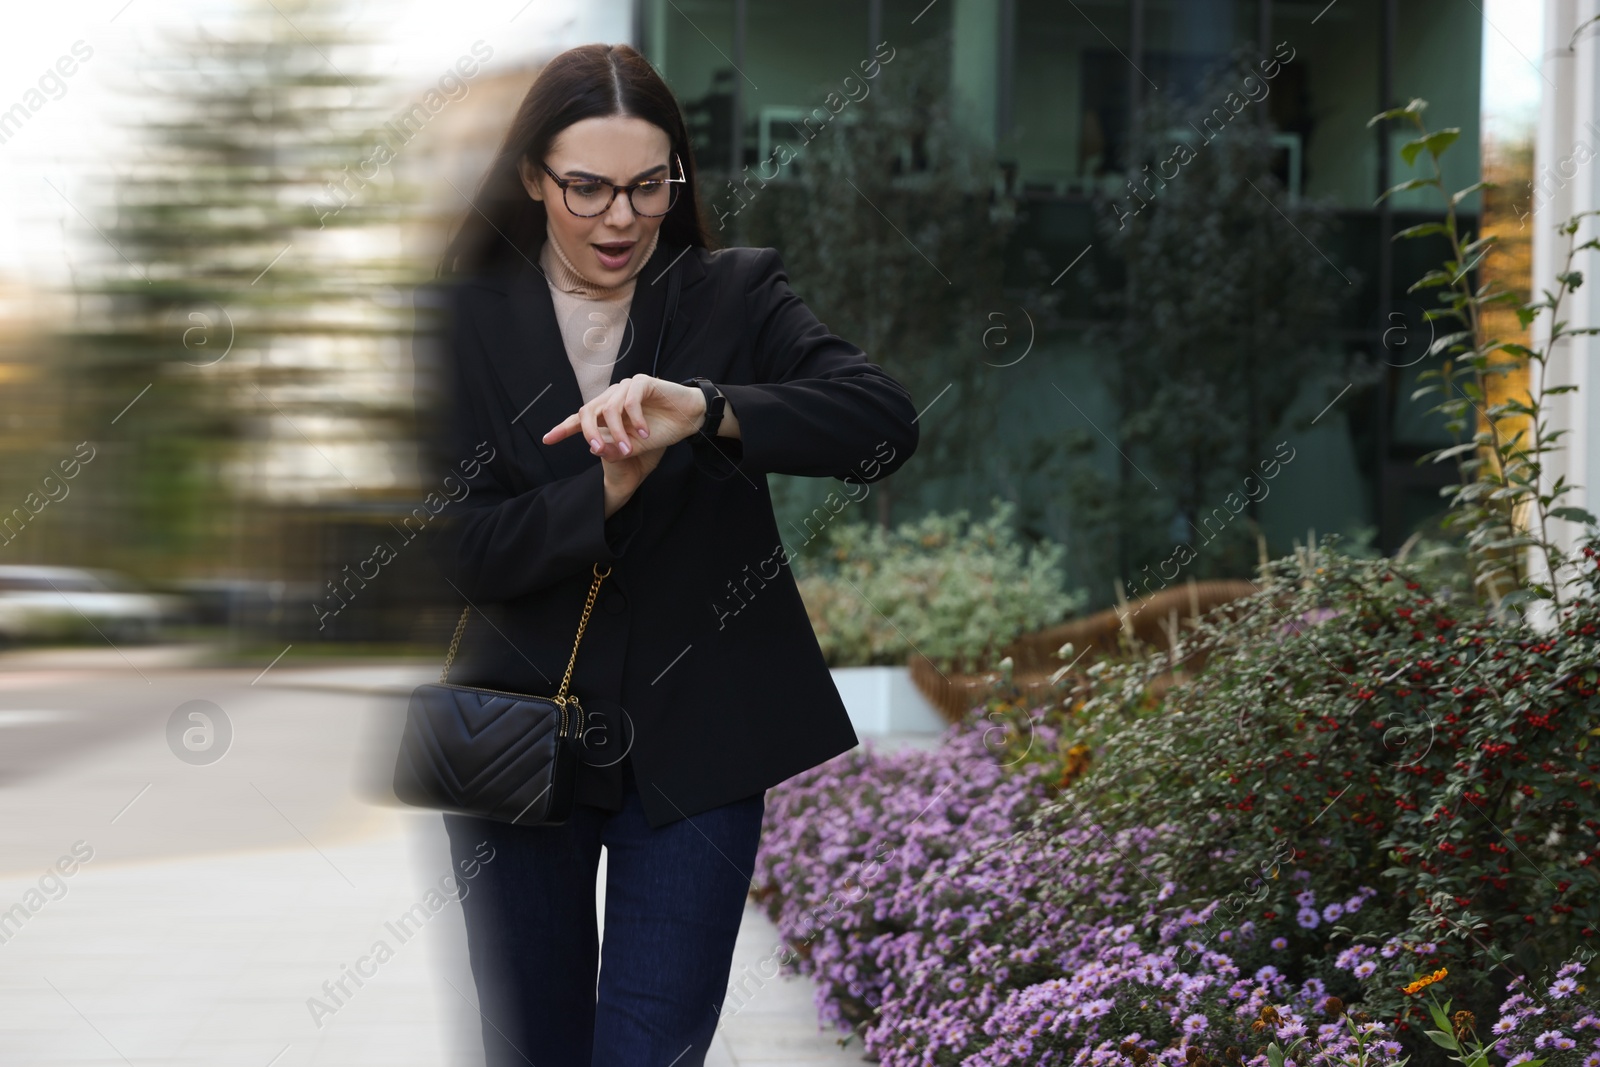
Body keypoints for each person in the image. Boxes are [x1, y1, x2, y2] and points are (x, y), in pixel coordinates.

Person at [412, 42, 919, 1067]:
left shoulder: (735, 294)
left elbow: (880, 425)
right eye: (587, 187)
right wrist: (597, 492)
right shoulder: (462, 320)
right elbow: (451, 547)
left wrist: (710, 409)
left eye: (648, 187)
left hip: (699, 750)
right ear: (530, 177)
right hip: (513, 739)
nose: (620, 218)